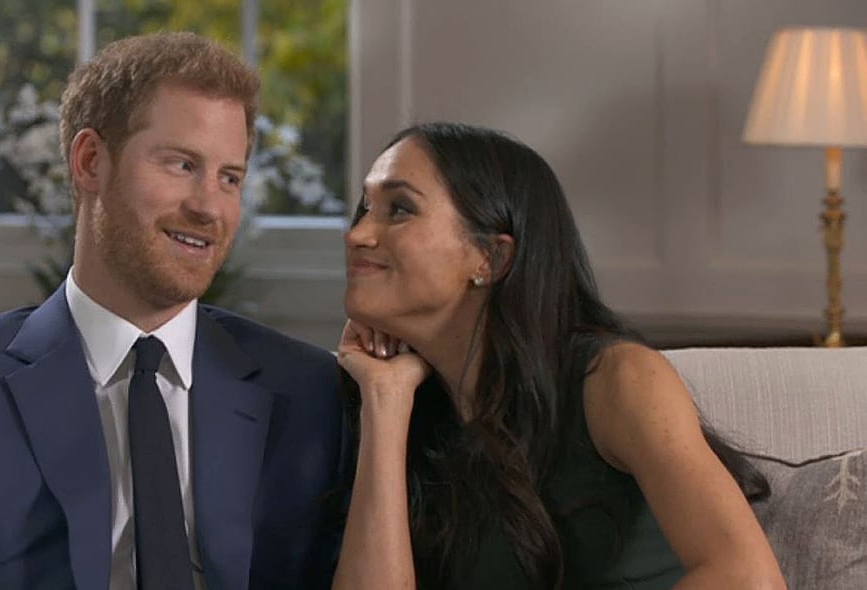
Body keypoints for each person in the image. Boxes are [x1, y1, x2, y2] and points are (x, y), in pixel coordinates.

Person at [0, 32, 347, 590]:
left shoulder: (308, 392)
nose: (209, 206)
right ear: (90, 161)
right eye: (182, 165)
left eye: (229, 177)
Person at [331, 122, 786, 589]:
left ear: (491, 259)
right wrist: (385, 402)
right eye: (366, 207)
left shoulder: (616, 379)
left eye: (399, 209)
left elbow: (748, 579)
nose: (358, 234)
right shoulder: (401, 408)